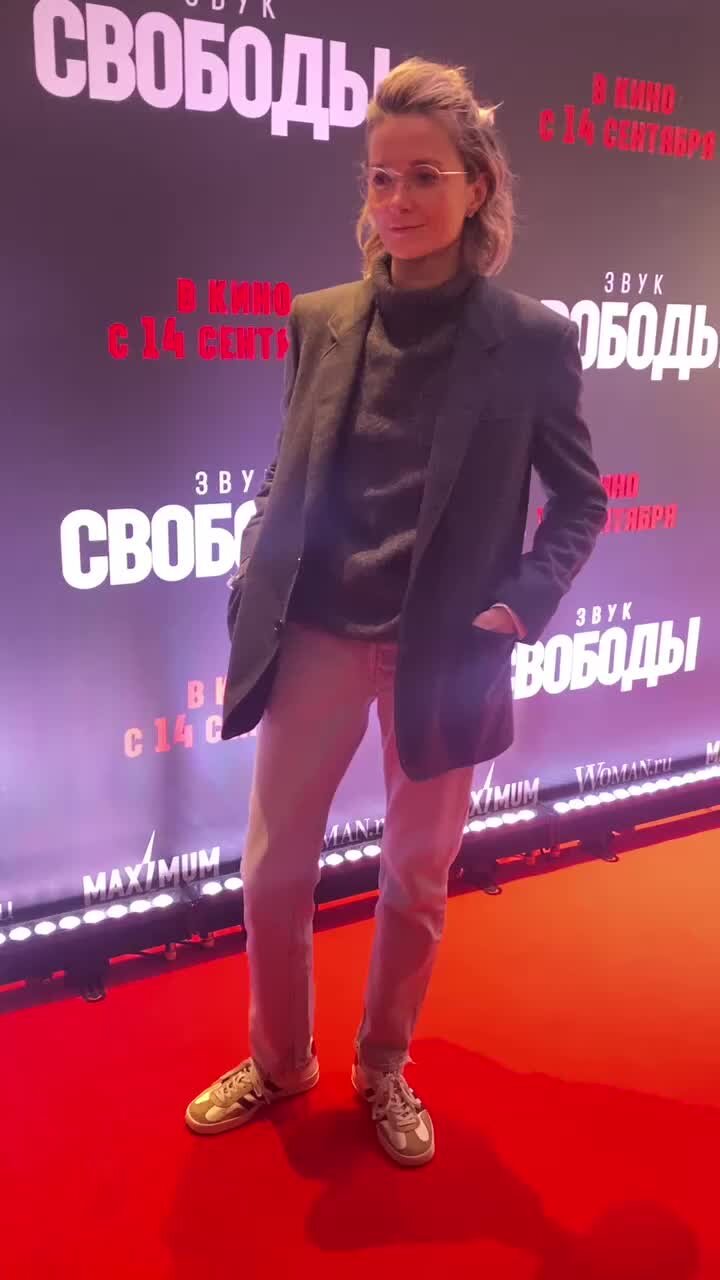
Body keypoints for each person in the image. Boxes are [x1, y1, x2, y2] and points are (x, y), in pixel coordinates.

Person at [185, 57, 608, 1166]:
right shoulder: (319, 319)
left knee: (414, 882)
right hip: (316, 638)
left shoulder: (530, 339)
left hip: (446, 654)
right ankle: (281, 1061)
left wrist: (519, 607)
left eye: (425, 175)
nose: (400, 200)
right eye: (382, 177)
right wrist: (254, 560)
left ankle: (383, 1066)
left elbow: (581, 498)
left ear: (478, 186)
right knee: (274, 872)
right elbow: (288, 468)